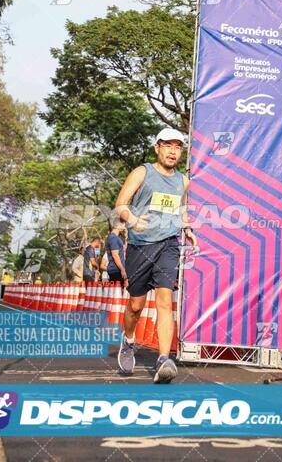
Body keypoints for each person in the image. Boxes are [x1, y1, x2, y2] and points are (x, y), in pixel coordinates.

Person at [115, 128, 197, 383]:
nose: (173, 151)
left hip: (168, 245)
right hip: (140, 246)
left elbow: (180, 210)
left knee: (164, 300)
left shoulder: (183, 181)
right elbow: (120, 205)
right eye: (168, 145)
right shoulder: (142, 172)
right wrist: (133, 219)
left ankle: (164, 359)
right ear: (157, 147)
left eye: (178, 147)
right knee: (136, 305)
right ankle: (129, 340)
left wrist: (188, 228)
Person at [106, 219, 127, 286]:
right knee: (116, 293)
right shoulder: (113, 238)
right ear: (118, 226)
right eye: (123, 224)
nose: (125, 226)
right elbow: (115, 255)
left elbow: (124, 249)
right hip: (116, 270)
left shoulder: (116, 238)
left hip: (117, 269)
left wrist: (126, 237)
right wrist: (122, 269)